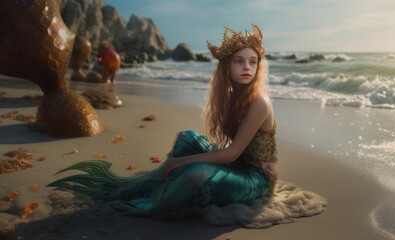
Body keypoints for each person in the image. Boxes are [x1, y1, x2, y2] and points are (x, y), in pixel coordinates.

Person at [48, 24, 277, 219]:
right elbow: (232, 152)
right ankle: (159, 185)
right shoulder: (233, 96)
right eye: (239, 61)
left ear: (258, 66)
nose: (247, 67)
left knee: (195, 172)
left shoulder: (259, 102)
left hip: (257, 180)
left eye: (253, 62)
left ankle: (157, 201)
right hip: (238, 167)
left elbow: (232, 153)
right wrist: (183, 159)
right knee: (186, 138)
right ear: (226, 66)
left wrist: (179, 163)